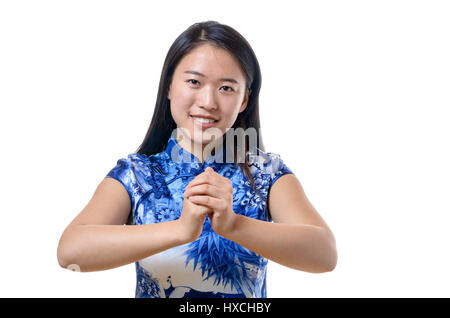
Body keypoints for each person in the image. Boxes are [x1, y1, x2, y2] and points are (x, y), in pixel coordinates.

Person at [57, 20, 337, 298]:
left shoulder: (265, 174)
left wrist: (234, 225)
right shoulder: (137, 175)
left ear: (244, 100)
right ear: (169, 86)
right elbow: (70, 251)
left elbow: (324, 254)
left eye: (226, 88)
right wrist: (180, 229)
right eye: (194, 82)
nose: (208, 101)